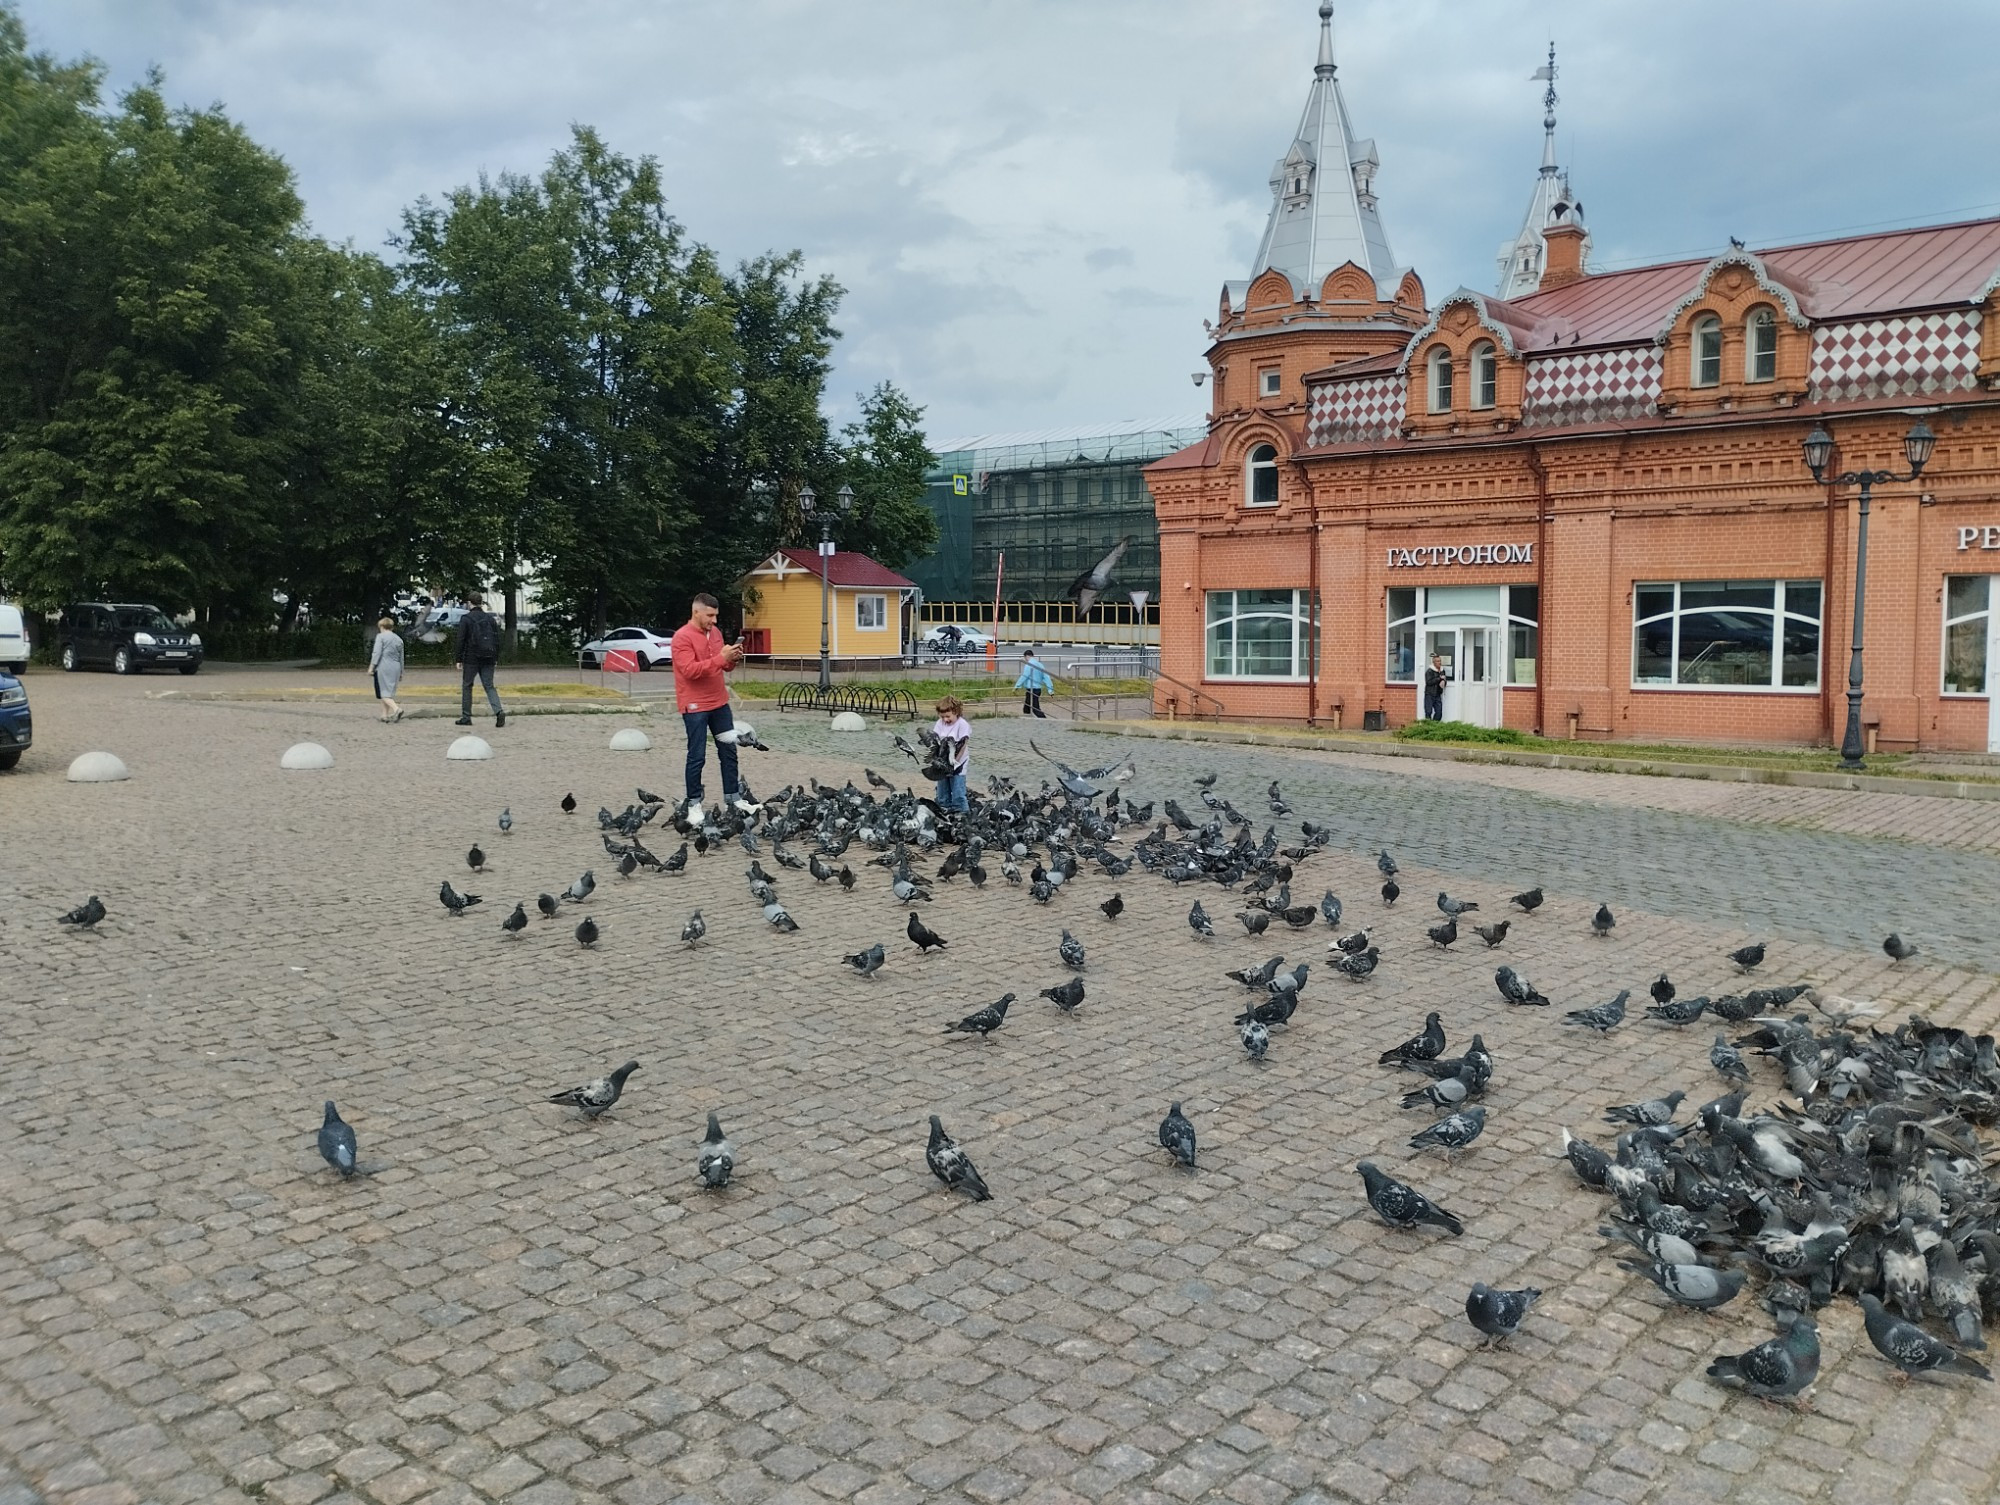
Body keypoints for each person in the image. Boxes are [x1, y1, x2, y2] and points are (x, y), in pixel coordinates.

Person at [671, 592, 756, 819]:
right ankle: (694, 804)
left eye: (716, 616)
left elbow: (723, 668)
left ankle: (734, 799)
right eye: (710, 615)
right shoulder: (682, 638)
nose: (714, 621)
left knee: (729, 751)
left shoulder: (715, 633)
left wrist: (733, 658)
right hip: (695, 706)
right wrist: (721, 658)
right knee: (697, 755)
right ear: (696, 612)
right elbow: (691, 671)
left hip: (719, 703)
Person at [454, 595, 504, 727]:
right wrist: (496, 657)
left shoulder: (466, 619)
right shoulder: (490, 619)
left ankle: (466, 716)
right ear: (481, 603)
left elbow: (461, 640)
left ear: (470, 603)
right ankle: (499, 711)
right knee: (489, 686)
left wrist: (459, 658)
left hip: (471, 658)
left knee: (467, 686)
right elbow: (496, 639)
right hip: (489, 657)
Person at [931, 695, 970, 812]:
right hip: (942, 763)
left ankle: (963, 816)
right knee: (942, 793)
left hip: (958, 764)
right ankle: (945, 814)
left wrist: (954, 764)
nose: (945, 720)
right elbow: (935, 741)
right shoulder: (940, 723)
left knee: (958, 793)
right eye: (942, 717)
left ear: (956, 712)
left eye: (948, 716)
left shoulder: (962, 724)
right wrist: (936, 761)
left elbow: (963, 745)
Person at [368, 617, 405, 722]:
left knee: (382, 692)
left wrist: (372, 667)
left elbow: (377, 653)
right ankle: (384, 715)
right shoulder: (399, 639)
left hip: (383, 666)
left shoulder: (381, 637)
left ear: (382, 626)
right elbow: (401, 657)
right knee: (388, 691)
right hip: (396, 667)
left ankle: (396, 709)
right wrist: (401, 671)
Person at [1014, 649, 1053, 717]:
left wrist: (1017, 686)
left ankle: (1044, 720)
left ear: (1026, 656)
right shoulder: (1040, 665)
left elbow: (1024, 676)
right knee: (1027, 707)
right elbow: (1046, 677)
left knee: (1035, 708)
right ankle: (1029, 721)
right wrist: (1050, 690)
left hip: (1031, 689)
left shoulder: (1029, 665)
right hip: (1038, 689)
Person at [1423, 652, 1447, 722]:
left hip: (1438, 694)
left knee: (1439, 712)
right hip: (1429, 694)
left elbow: (1445, 679)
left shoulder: (1442, 671)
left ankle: (1434, 726)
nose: (1439, 663)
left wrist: (1444, 682)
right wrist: (1439, 679)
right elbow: (1428, 682)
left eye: (1440, 661)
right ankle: (1428, 727)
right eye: (1437, 661)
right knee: (1428, 712)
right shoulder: (1429, 671)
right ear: (1433, 662)